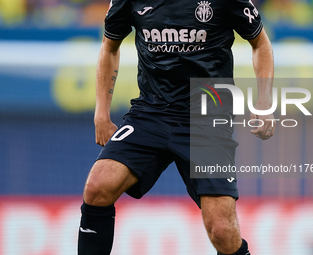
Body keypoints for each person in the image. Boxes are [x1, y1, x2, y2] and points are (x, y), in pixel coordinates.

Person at [78, 0, 274, 254]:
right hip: (151, 112)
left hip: (207, 118)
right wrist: (101, 112)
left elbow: (260, 43)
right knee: (97, 187)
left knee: (222, 231)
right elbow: (109, 47)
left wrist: (265, 101)